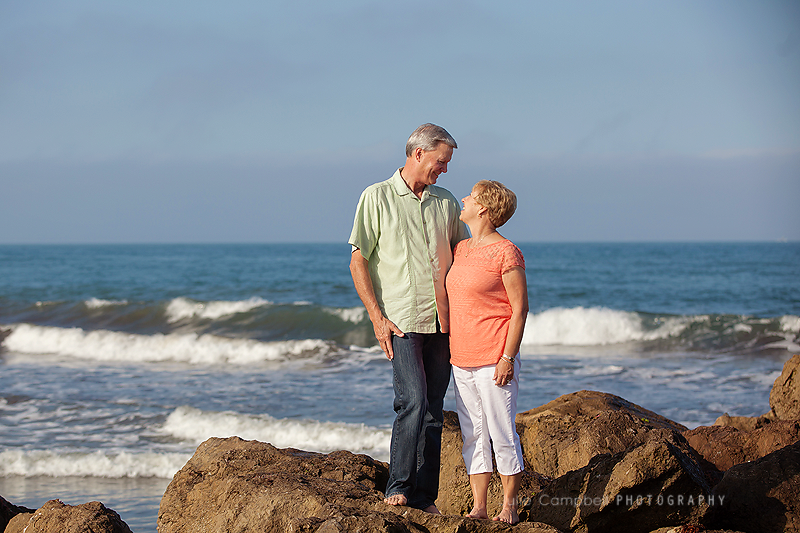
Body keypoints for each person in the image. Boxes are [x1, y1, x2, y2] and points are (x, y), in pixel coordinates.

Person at [348, 123, 470, 513]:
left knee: (434, 409)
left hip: (444, 322)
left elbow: (465, 256)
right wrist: (376, 317)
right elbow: (358, 261)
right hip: (401, 321)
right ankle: (397, 487)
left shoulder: (447, 202)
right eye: (441, 161)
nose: (445, 169)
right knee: (413, 401)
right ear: (419, 153)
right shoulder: (376, 197)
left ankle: (424, 496)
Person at [445, 180, 528, 524]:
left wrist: (508, 357)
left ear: (484, 208)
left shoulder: (507, 252)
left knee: (501, 431)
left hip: (494, 356)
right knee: (472, 435)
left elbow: (520, 308)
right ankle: (479, 507)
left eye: (470, 196)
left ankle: (509, 505)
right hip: (460, 359)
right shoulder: (462, 248)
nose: (463, 199)